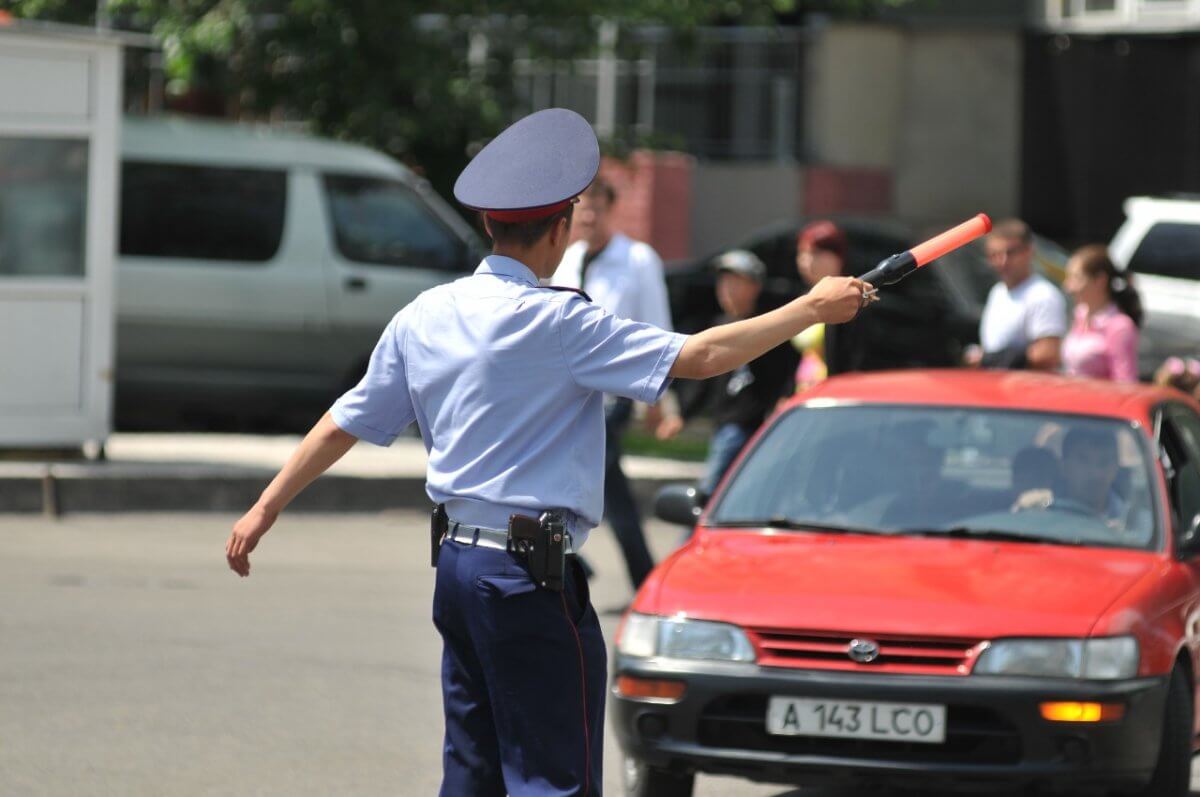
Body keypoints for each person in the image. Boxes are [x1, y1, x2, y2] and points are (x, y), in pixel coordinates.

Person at [223, 107, 868, 797]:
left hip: (458, 568)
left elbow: (343, 422)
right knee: (553, 780)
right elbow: (702, 355)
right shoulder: (559, 320)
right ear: (561, 229)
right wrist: (809, 308)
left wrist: (264, 508)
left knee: (471, 773)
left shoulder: (426, 313)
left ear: (488, 224)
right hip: (525, 579)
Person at [551, 177, 676, 590]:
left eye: (596, 208)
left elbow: (658, 326)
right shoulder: (567, 259)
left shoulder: (637, 259)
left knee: (582, 478)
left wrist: (659, 400)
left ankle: (568, 557)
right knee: (608, 491)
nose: (588, 217)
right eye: (581, 209)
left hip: (613, 394)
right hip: (569, 395)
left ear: (611, 210)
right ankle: (637, 577)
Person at [658, 250, 802, 499]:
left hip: (754, 424)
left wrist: (785, 397)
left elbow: (789, 368)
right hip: (725, 423)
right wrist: (682, 414)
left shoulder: (768, 327)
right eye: (723, 283)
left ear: (755, 286)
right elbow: (704, 379)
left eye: (736, 283)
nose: (727, 290)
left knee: (715, 492)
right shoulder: (719, 327)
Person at [966, 218, 1066, 371]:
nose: (1002, 261)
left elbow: (1048, 354)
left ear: (1029, 251)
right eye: (994, 255)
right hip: (995, 383)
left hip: (1027, 385)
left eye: (1010, 253)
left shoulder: (1043, 295)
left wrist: (988, 359)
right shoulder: (997, 292)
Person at [795, 220, 869, 377]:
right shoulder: (805, 295)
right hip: (806, 389)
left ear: (838, 257)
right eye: (802, 253)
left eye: (816, 253)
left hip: (834, 389)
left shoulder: (852, 299)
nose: (806, 261)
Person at [1061, 245, 1142, 382]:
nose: (1069, 287)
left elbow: (1125, 383)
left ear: (1100, 280)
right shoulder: (1080, 315)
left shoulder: (1120, 326)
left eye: (1077, 278)